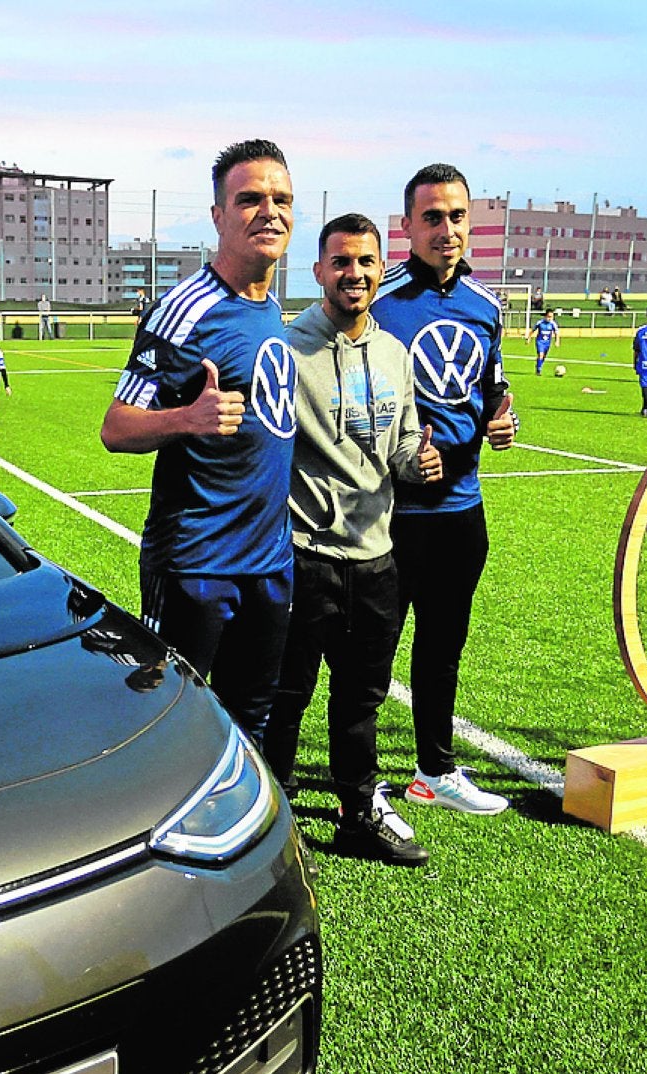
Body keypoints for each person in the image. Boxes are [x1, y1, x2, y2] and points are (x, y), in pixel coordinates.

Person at [100, 139, 298, 748]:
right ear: (218, 216)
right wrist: (187, 418)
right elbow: (116, 426)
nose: (269, 211)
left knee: (251, 725)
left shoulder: (273, 308)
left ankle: (243, 841)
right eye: (250, 200)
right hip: (197, 564)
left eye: (282, 199)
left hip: (270, 563)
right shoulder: (183, 311)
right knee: (170, 726)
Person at [264, 213, 442, 866]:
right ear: (318, 272)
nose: (355, 273)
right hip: (306, 559)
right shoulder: (287, 349)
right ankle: (275, 822)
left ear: (379, 268)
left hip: (377, 563)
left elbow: (400, 444)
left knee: (361, 700)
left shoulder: (395, 354)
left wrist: (416, 462)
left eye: (366, 262)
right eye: (341, 262)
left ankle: (357, 812)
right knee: (288, 700)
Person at [370, 163, 517, 817]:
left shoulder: (486, 307)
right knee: (369, 652)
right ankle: (361, 776)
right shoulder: (376, 299)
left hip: (462, 512)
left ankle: (434, 771)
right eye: (432, 217)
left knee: (442, 646)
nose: (447, 229)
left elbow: (491, 388)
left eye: (457, 216)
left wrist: (502, 417)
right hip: (388, 515)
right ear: (407, 226)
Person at [533, 308, 560, 374]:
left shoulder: (553, 324)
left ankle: (538, 365)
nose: (550, 318)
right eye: (549, 316)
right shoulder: (540, 322)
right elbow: (533, 330)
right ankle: (539, 369)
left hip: (547, 343)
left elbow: (556, 333)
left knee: (544, 356)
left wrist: (557, 341)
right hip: (540, 341)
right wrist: (528, 338)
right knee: (540, 355)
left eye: (552, 317)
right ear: (545, 316)